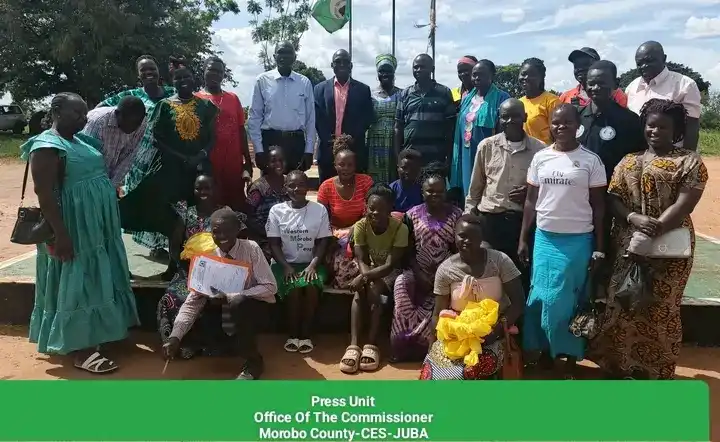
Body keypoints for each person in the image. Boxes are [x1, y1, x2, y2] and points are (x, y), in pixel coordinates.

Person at [588, 99, 708, 380]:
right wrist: (633, 219)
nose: (655, 131)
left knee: (660, 308)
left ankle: (655, 371)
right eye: (651, 125)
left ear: (676, 129)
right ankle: (619, 366)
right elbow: (613, 197)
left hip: (669, 248)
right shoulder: (629, 160)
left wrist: (651, 230)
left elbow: (685, 203)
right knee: (624, 305)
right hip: (627, 246)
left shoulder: (689, 162)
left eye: (663, 127)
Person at [21, 93, 139, 373]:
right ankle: (80, 348)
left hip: (96, 227)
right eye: (77, 114)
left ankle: (97, 333)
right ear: (57, 111)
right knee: (79, 281)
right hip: (74, 226)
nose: (84, 120)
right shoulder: (47, 147)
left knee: (98, 276)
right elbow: (45, 195)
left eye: (85, 114)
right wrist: (60, 235)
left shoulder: (80, 140)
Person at [518, 104, 607, 379]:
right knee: (539, 297)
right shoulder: (541, 158)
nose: (561, 127)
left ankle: (567, 355)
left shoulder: (591, 160)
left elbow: (599, 207)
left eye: (567, 122)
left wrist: (600, 247)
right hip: (544, 239)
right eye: (556, 123)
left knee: (566, 299)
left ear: (577, 124)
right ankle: (541, 350)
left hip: (578, 241)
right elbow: (531, 202)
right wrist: (524, 238)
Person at [118, 62, 218, 279]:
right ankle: (174, 265)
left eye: (186, 78)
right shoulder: (163, 106)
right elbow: (156, 138)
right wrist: (182, 158)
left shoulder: (207, 107)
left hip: (199, 170)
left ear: (194, 81)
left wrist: (199, 156)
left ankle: (198, 265)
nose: (182, 82)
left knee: (197, 217)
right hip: (171, 171)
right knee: (174, 219)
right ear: (171, 83)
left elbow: (212, 138)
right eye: (177, 79)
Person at [163, 208, 278, 380]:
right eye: (216, 232)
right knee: (202, 301)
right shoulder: (207, 258)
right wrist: (175, 336)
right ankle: (224, 345)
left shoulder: (251, 249)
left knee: (238, 302)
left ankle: (254, 362)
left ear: (238, 230)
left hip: (255, 310)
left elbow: (270, 287)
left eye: (228, 231)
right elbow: (193, 301)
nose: (222, 236)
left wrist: (234, 295)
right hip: (222, 312)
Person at [419, 215, 524, 380]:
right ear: (454, 236)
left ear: (481, 238)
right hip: (457, 332)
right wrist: (432, 347)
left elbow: (518, 302)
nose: (467, 241)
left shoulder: (500, 261)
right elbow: (438, 313)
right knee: (434, 371)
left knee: (473, 368)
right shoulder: (445, 270)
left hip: (494, 330)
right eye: (462, 235)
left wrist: (495, 332)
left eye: (473, 237)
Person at [99, 55, 176, 262]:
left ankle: (170, 241)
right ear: (138, 75)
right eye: (143, 70)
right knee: (144, 199)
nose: (148, 72)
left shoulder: (171, 93)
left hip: (168, 156)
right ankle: (155, 246)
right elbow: (102, 109)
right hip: (139, 159)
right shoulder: (130, 95)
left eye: (152, 68)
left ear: (159, 71)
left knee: (165, 199)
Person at [465, 98, 546, 289]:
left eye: (515, 116)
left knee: (521, 276)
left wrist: (530, 191)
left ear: (525, 117)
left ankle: (519, 317)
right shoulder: (487, 146)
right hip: (491, 221)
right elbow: (476, 187)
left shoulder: (540, 150)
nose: (510, 121)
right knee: (491, 277)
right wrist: (468, 218)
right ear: (499, 119)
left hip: (522, 223)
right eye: (505, 117)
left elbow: (548, 189)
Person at [157, 173, 237, 359]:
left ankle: (210, 342)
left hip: (219, 270)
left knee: (217, 298)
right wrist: (185, 267)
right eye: (198, 188)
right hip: (189, 271)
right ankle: (178, 343)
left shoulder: (224, 213)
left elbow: (233, 244)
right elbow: (175, 246)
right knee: (173, 296)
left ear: (215, 189)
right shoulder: (185, 213)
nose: (203, 192)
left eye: (207, 187)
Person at [391, 172, 463, 362]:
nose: (435, 195)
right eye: (430, 191)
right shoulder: (411, 215)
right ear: (422, 192)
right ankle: (402, 344)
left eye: (439, 192)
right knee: (401, 283)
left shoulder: (457, 215)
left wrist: (443, 276)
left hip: (448, 275)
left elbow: (459, 251)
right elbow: (407, 249)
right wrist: (418, 273)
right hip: (417, 271)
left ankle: (429, 347)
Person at [340, 184, 408, 373]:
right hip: (368, 269)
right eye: (371, 208)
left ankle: (371, 343)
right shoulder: (361, 225)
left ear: (390, 209)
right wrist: (365, 276)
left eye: (380, 209)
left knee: (374, 289)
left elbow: (389, 265)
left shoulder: (400, 229)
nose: (375, 213)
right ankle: (353, 345)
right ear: (366, 207)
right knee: (361, 291)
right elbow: (361, 258)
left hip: (391, 272)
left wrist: (364, 277)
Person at [267, 170, 332, 354]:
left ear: (308, 187)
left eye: (301, 185)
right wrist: (286, 267)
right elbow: (274, 243)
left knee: (310, 286)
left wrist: (313, 265)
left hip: (312, 263)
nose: (296, 189)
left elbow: (323, 242)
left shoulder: (319, 210)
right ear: (285, 188)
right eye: (292, 185)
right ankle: (292, 334)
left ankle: (306, 333)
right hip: (283, 264)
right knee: (294, 288)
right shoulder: (277, 211)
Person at [195, 56, 253, 210]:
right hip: (208, 166)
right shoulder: (195, 100)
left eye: (219, 72)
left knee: (236, 207)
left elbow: (241, 130)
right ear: (204, 71)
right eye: (211, 70)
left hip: (233, 166)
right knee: (210, 207)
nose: (215, 74)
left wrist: (247, 161)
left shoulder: (233, 99)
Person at [248, 41, 315, 172]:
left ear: (295, 57)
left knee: (295, 188)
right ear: (274, 56)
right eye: (280, 52)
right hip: (270, 142)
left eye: (289, 53)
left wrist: (309, 150)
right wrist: (258, 150)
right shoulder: (262, 81)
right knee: (269, 189)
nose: (284, 56)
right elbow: (254, 117)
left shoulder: (304, 83)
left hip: (296, 144)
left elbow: (311, 120)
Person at [316, 136, 374, 289]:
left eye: (350, 165)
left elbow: (371, 213)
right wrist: (338, 234)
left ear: (355, 165)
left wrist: (354, 229)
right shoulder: (326, 187)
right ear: (335, 165)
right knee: (344, 268)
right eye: (342, 164)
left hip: (362, 233)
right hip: (336, 238)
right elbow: (322, 219)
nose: (346, 168)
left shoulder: (366, 182)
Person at [450, 59, 512, 199]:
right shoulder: (467, 99)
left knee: (486, 191)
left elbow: (504, 133)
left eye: (482, 74)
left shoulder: (502, 98)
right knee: (468, 190)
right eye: (475, 74)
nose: (477, 78)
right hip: (466, 154)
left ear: (492, 75)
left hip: (489, 155)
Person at [626, 42, 701, 151]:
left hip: (672, 157)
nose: (644, 66)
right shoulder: (632, 88)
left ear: (664, 58)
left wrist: (686, 159)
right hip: (639, 156)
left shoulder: (684, 85)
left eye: (649, 61)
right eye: (639, 63)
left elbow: (692, 127)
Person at [577, 61, 644, 181]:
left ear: (616, 84)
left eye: (602, 83)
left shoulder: (630, 120)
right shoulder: (575, 116)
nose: (596, 88)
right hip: (578, 189)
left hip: (610, 192)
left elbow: (636, 161)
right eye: (591, 83)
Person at [314, 49, 374, 182]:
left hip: (354, 151)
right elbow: (318, 119)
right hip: (327, 152)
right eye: (338, 61)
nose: (342, 65)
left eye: (345, 62)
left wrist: (348, 140)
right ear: (332, 65)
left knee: (353, 193)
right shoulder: (319, 89)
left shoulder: (363, 90)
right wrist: (333, 142)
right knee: (327, 192)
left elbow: (366, 119)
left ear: (351, 66)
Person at [395, 54, 455, 168]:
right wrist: (398, 156)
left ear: (432, 69)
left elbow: (450, 127)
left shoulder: (444, 92)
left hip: (436, 158)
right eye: (416, 67)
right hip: (410, 158)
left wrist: (449, 157)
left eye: (422, 67)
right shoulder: (405, 94)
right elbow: (398, 126)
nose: (418, 70)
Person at [82, 96, 147, 189]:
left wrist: (110, 187)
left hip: (106, 175)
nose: (133, 128)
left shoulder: (142, 122)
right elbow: (88, 162)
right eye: (129, 122)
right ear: (117, 114)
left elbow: (127, 158)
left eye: (136, 124)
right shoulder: (97, 122)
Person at [246, 146, 288, 261]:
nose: (278, 164)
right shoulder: (258, 188)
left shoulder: (290, 183)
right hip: (264, 238)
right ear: (267, 164)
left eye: (281, 160)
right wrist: (269, 233)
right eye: (274, 161)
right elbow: (248, 216)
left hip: (288, 236)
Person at [366, 54, 402, 184]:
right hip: (374, 142)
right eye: (382, 71)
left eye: (389, 71)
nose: (385, 74)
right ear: (377, 73)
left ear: (394, 73)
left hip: (395, 140)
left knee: (394, 173)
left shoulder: (402, 94)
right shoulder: (370, 94)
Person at [558, 47, 628, 108]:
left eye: (585, 64)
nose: (580, 69)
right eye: (576, 66)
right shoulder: (565, 97)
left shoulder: (615, 94)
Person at [519, 58, 560, 145]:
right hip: (522, 154)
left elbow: (558, 135)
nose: (525, 78)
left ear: (541, 78)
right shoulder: (519, 103)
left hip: (546, 154)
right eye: (523, 74)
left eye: (531, 75)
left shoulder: (552, 101)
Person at [389, 149, 423, 213]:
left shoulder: (422, 189)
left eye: (412, 168)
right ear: (398, 168)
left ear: (419, 170)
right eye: (404, 168)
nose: (408, 172)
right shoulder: (391, 189)